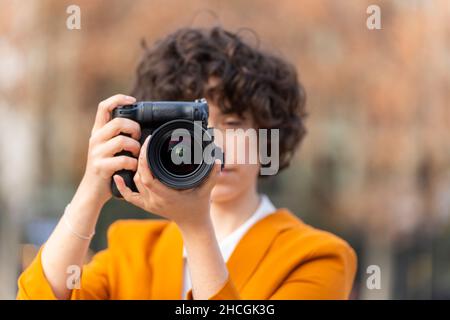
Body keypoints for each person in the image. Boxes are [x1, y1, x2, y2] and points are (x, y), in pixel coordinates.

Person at [17, 26, 357, 300]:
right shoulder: (131, 250)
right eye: (191, 126)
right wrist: (91, 190)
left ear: (269, 135)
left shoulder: (317, 257)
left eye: (234, 123)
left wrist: (196, 228)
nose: (211, 143)